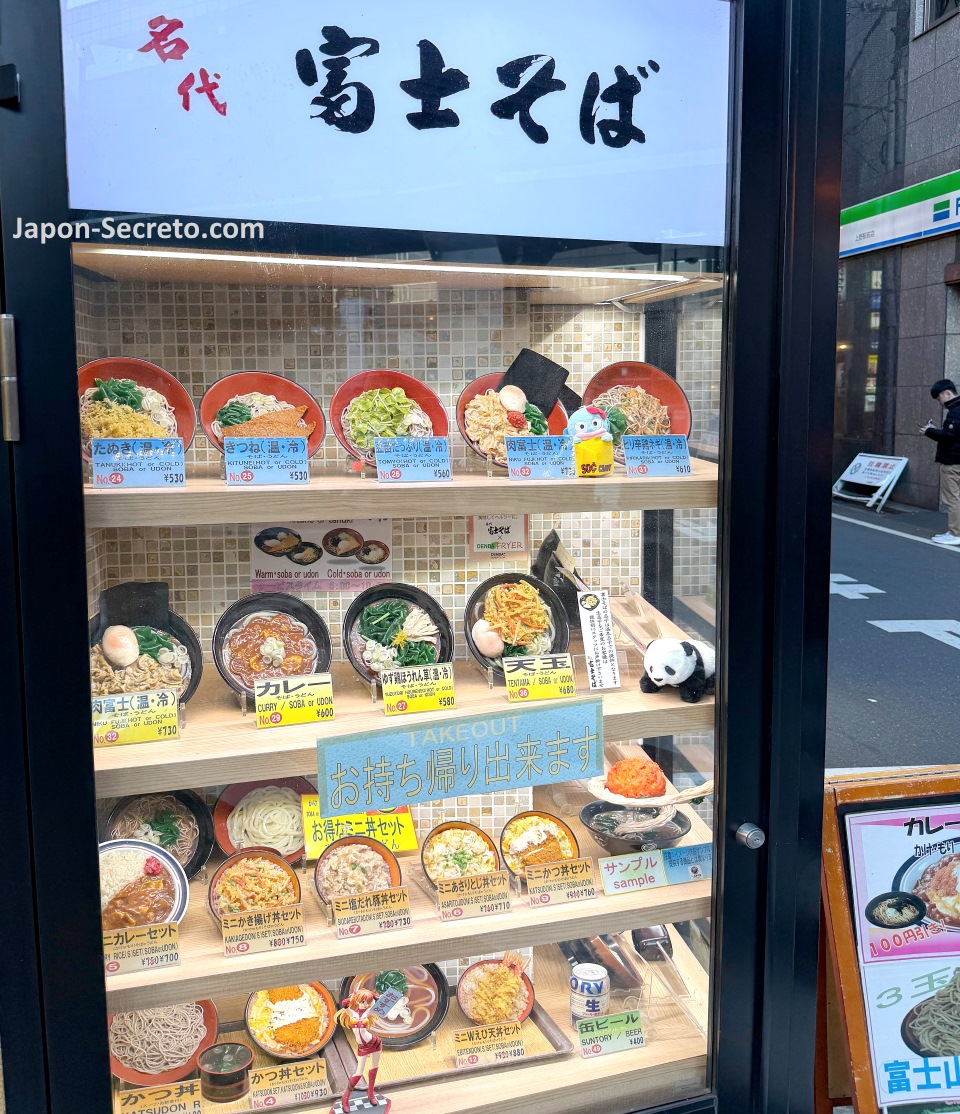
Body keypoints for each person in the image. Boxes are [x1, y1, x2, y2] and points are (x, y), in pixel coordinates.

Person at [921, 378, 960, 545]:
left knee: (952, 498)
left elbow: (950, 436)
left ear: (947, 393)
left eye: (939, 398)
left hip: (952, 461)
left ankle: (955, 533)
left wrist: (929, 431)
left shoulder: (955, 411)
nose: (939, 402)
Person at [335, 988, 383, 1111]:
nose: (365, 1004)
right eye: (362, 1002)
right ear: (357, 1001)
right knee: (358, 1072)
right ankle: (345, 1097)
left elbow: (377, 1000)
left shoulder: (368, 1013)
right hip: (362, 1046)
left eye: (366, 1002)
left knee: (374, 1068)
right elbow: (344, 1004)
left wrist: (371, 995)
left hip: (374, 1042)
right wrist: (355, 996)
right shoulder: (353, 1014)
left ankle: (371, 1093)